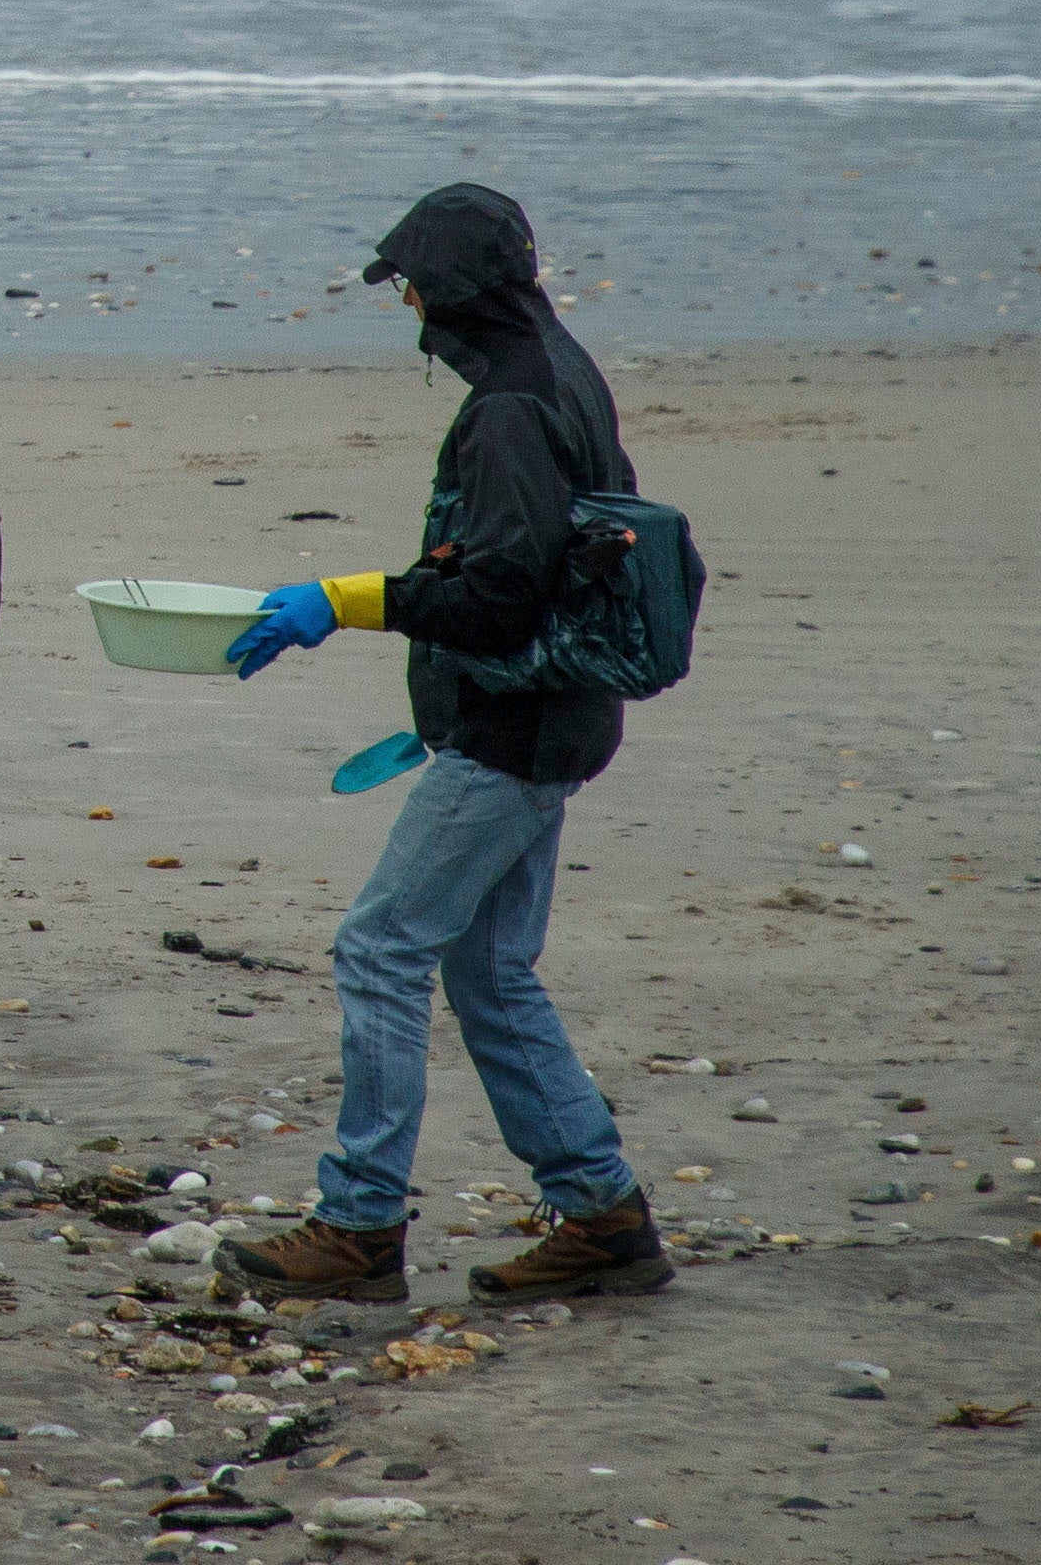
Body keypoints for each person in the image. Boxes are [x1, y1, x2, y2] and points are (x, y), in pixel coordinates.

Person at [212, 183, 673, 1310]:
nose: (408, 306)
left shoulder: (509, 405)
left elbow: (504, 595)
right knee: (488, 969)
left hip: (513, 729)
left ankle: (359, 1224)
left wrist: (343, 599)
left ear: (453, 292)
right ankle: (604, 1216)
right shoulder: (563, 366)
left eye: (412, 286)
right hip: (562, 717)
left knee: (380, 948)